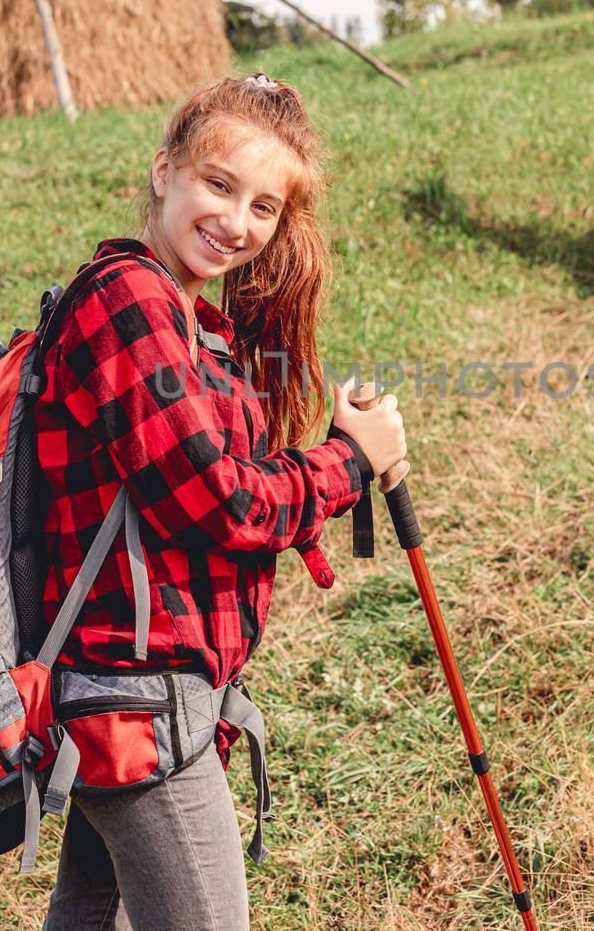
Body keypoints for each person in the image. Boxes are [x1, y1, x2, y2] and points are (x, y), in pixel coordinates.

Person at [35, 73, 407, 930]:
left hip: (140, 689)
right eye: (219, 184)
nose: (238, 222)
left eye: (266, 207)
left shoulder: (186, 319)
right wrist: (348, 463)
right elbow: (218, 503)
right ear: (164, 170)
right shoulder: (127, 300)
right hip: (133, 688)